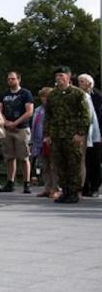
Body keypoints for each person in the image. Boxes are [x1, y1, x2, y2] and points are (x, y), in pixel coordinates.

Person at [44, 66, 90, 204]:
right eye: (57, 76)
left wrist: (80, 133)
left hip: (72, 135)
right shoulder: (52, 95)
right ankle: (65, 191)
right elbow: (48, 116)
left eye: (62, 76)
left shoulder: (77, 93)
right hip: (57, 135)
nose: (59, 79)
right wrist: (47, 134)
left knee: (73, 164)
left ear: (69, 78)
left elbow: (85, 116)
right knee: (60, 164)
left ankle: (74, 192)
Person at [0, 72, 34, 194]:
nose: (10, 81)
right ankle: (10, 182)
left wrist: (16, 122)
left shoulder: (25, 93)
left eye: (13, 79)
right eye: (8, 79)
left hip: (21, 128)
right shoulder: (4, 94)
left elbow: (29, 111)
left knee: (24, 157)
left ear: (19, 79)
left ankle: (26, 183)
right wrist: (6, 122)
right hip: (7, 129)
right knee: (9, 157)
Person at [32, 87, 59, 199]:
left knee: (54, 166)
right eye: (42, 97)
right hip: (39, 141)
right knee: (45, 166)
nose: (44, 99)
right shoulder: (38, 110)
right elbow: (34, 126)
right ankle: (47, 188)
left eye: (46, 97)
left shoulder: (56, 110)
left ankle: (56, 188)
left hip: (52, 140)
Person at [78, 74, 102, 197]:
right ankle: (85, 186)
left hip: (96, 131)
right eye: (79, 81)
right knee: (84, 160)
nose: (80, 84)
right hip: (85, 132)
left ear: (89, 83)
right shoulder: (77, 96)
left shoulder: (97, 96)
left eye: (82, 81)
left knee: (95, 160)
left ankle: (95, 186)